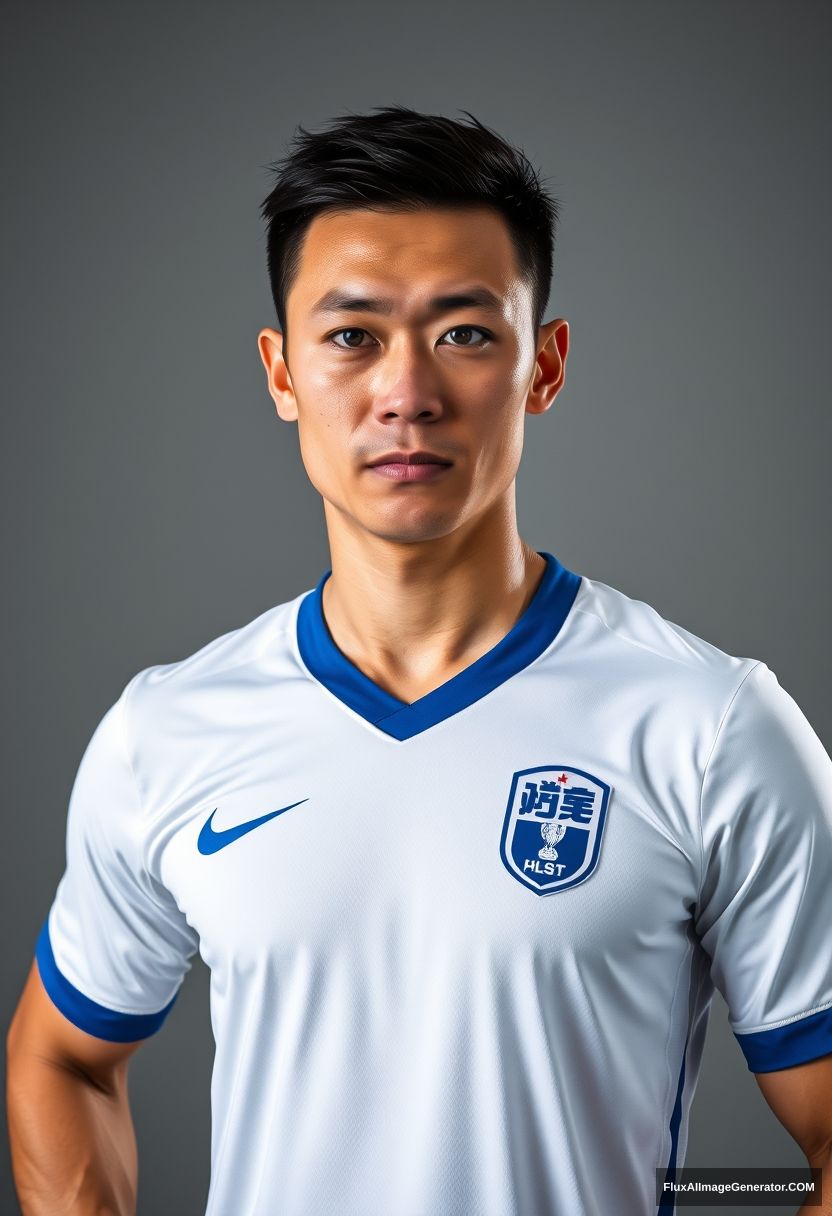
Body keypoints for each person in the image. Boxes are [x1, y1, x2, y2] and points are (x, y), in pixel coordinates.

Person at [6, 104, 832, 1216]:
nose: (406, 392)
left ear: (543, 366)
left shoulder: (709, 726)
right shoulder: (168, 732)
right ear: (281, 371)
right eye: (351, 336)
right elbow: (61, 1057)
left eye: (463, 332)